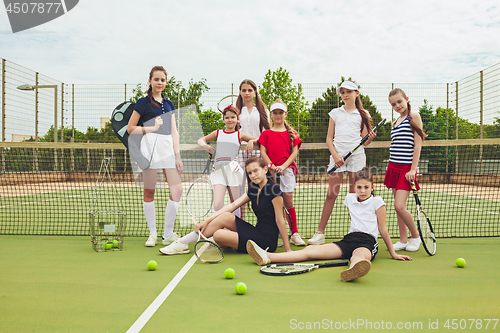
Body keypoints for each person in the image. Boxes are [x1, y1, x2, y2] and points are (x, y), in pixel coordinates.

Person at [247, 167, 413, 282]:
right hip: (348, 240)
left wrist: (393, 253)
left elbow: (383, 229)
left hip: (367, 241)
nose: (362, 190)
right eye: (359, 187)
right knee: (310, 251)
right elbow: (353, 220)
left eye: (366, 187)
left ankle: (353, 270)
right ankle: (267, 257)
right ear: (354, 187)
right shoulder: (349, 199)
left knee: (358, 256)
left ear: (372, 187)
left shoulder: (378, 202)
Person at [159, 156, 292, 255]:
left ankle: (188, 242)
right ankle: (182, 243)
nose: (252, 175)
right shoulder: (254, 189)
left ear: (265, 169)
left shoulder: (274, 190)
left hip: (266, 242)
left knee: (218, 236)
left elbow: (280, 220)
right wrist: (204, 222)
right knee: (226, 217)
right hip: (256, 232)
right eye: (249, 173)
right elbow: (230, 207)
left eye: (256, 170)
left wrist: (288, 250)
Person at [307, 80, 376, 246]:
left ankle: (358, 232)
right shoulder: (335, 113)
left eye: (349, 92)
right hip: (337, 157)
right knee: (331, 194)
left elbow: (364, 141)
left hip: (357, 157)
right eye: (343, 92)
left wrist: (370, 139)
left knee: (355, 195)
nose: (345, 95)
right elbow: (329, 138)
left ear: (356, 93)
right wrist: (336, 155)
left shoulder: (363, 114)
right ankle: (320, 233)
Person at [127, 66, 183, 247]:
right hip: (149, 145)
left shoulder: (169, 104)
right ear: (150, 81)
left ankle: (167, 234)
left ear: (166, 82)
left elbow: (174, 132)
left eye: (163, 80)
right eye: (156, 79)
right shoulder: (142, 103)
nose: (160, 83)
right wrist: (151, 128)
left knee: (177, 190)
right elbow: (130, 128)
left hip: (167, 145)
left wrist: (178, 156)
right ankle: (152, 234)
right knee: (149, 191)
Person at [385, 88, 427, 252]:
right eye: (393, 104)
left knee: (399, 206)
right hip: (393, 167)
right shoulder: (395, 122)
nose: (397, 106)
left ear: (407, 99)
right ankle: (403, 240)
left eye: (399, 102)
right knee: (398, 209)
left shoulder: (413, 117)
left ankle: (415, 236)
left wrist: (413, 169)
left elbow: (417, 145)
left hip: (406, 170)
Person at [196, 105, 258, 217]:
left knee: (235, 203)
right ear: (223, 119)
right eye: (227, 117)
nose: (230, 120)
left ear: (237, 119)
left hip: (233, 170)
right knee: (217, 204)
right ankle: (218, 229)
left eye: (233, 117)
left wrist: (251, 142)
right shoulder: (218, 133)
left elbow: (259, 139)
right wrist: (206, 147)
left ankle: (235, 230)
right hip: (219, 170)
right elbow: (201, 140)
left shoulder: (240, 134)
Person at [258, 100, 305, 246]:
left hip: (287, 172)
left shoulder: (292, 134)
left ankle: (294, 233)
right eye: (275, 113)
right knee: (274, 204)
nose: (278, 115)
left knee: (288, 202)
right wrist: (271, 166)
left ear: (285, 114)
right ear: (271, 115)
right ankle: (276, 231)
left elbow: (294, 153)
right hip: (270, 172)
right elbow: (263, 152)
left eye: (280, 112)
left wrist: (283, 166)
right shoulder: (266, 134)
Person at [235, 79, 271, 219]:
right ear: (240, 92)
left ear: (255, 91)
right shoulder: (236, 111)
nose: (247, 93)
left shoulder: (262, 110)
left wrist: (254, 140)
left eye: (250, 90)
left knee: (259, 188)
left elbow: (267, 133)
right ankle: (241, 220)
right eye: (244, 90)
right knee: (239, 189)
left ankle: (264, 220)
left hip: (258, 153)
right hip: (240, 154)